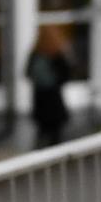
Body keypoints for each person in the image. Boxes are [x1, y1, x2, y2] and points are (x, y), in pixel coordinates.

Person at [25, 20, 74, 150]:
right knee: (53, 135)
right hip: (51, 99)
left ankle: (42, 157)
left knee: (44, 133)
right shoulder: (54, 54)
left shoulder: (38, 54)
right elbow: (66, 74)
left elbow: (27, 73)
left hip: (43, 98)